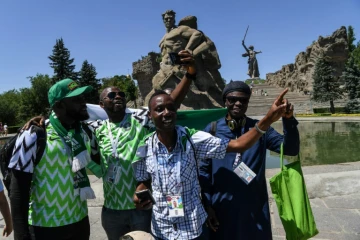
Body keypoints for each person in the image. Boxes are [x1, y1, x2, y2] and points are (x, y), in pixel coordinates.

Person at [133, 87, 290, 240]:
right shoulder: (144, 146)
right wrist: (140, 194)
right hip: (163, 228)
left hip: (194, 228)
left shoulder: (192, 139)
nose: (166, 113)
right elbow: (143, 181)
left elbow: (239, 145)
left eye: (171, 108)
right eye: (160, 109)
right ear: (150, 114)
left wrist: (269, 119)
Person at [87, 50, 197, 240]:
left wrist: (189, 74)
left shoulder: (140, 119)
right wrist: (41, 121)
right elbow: (67, 123)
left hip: (142, 208)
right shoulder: (96, 129)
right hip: (112, 211)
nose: (118, 96)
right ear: (102, 104)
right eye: (112, 95)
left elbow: (171, 103)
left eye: (121, 93)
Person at [200, 81, 300, 240]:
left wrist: (288, 120)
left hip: (255, 207)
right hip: (222, 208)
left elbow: (290, 150)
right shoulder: (212, 130)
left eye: (243, 100)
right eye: (232, 99)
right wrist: (207, 205)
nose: (238, 103)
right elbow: (203, 172)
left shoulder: (260, 129)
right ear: (225, 101)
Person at [8, 79, 96, 240]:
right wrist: (21, 235)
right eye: (76, 99)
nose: (84, 102)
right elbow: (18, 191)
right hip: (45, 228)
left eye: (83, 97)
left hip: (80, 223)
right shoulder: (34, 135)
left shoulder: (83, 131)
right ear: (58, 106)